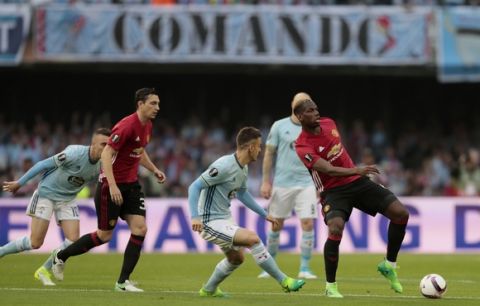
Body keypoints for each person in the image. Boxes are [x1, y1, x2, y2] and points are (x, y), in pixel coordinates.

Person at [52, 88, 166, 292]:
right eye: (153, 103)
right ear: (140, 104)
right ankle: (61, 256)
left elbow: (139, 152)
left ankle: (122, 282)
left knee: (140, 229)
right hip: (110, 186)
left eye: (158, 103)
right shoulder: (126, 126)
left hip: (131, 185)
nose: (157, 107)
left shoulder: (147, 125)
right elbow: (106, 155)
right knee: (104, 236)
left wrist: (154, 169)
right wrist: (112, 185)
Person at [293, 98, 410, 298]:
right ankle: (330, 286)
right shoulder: (301, 146)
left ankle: (389, 264)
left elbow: (338, 153)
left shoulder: (329, 124)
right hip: (333, 191)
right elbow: (327, 169)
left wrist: (356, 172)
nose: (317, 113)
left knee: (401, 214)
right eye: (311, 111)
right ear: (300, 117)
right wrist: (357, 169)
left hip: (356, 182)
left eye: (317, 109)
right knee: (336, 227)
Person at [188, 127, 306, 297]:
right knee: (253, 239)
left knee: (237, 259)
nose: (260, 150)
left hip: (224, 219)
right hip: (209, 221)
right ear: (250, 147)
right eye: (259, 146)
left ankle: (208, 290)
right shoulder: (223, 166)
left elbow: (242, 194)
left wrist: (265, 214)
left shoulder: (242, 167)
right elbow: (194, 186)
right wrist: (195, 217)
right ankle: (285, 281)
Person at [1, 128, 111, 286]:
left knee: (73, 240)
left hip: (67, 199)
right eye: (103, 144)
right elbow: (42, 164)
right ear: (93, 144)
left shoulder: (102, 165)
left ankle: (44, 270)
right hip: (47, 194)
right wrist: (20, 183)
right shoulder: (74, 153)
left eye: (109, 145)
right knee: (35, 243)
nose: (107, 148)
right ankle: (2, 251)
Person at [257, 92, 318, 280]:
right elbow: (269, 154)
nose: (301, 104)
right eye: (299, 101)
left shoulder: (314, 127)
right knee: (276, 224)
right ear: (292, 104)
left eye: (305, 102)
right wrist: (266, 180)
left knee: (308, 223)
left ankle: (305, 268)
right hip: (282, 184)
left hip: (306, 183)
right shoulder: (279, 126)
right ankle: (270, 266)